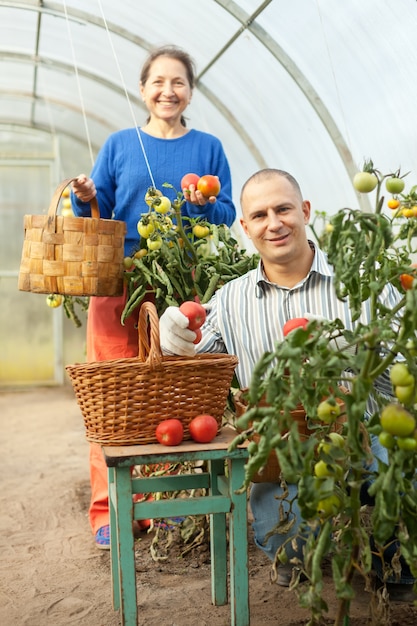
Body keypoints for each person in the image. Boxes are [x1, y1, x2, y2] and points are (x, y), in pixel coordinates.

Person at [159, 168, 416, 598]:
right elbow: (193, 361)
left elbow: (405, 374)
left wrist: (351, 350)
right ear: (245, 228)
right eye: (259, 215)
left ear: (306, 211)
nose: (273, 223)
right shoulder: (231, 299)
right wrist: (174, 339)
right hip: (285, 450)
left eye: (283, 209)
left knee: (404, 492)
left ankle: (391, 556)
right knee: (290, 548)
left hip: (367, 435)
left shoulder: (360, 282)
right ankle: (301, 549)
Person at [70, 45, 236, 549]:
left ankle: (163, 506)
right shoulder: (120, 144)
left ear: (190, 91)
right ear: (143, 89)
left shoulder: (208, 146)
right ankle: (110, 511)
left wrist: (205, 204)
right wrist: (82, 197)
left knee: (172, 392)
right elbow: (94, 213)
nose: (169, 91)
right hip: (121, 284)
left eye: (179, 82)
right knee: (111, 397)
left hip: (181, 284)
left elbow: (228, 213)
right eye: (158, 82)